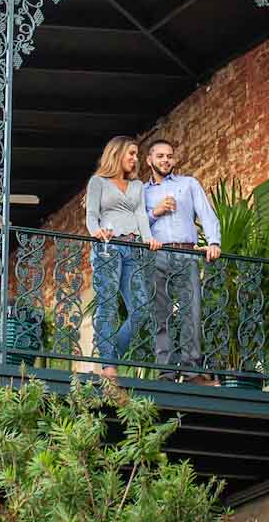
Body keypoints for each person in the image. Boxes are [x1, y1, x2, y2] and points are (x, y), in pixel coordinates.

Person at [144, 139, 222, 386]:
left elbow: (207, 214)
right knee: (161, 315)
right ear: (150, 160)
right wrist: (154, 212)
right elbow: (136, 227)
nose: (165, 160)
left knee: (192, 311)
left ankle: (191, 372)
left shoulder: (189, 184)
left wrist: (214, 242)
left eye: (169, 156)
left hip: (187, 253)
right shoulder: (141, 192)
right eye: (160, 156)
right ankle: (165, 373)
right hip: (157, 256)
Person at [86, 136, 162, 379]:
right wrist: (96, 232)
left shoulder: (137, 186)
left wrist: (149, 238)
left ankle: (110, 356)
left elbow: (140, 214)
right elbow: (91, 216)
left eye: (136, 154)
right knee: (107, 304)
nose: (134, 158)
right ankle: (108, 367)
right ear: (117, 154)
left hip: (133, 247)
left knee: (141, 309)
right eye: (131, 153)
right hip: (108, 246)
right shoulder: (98, 182)